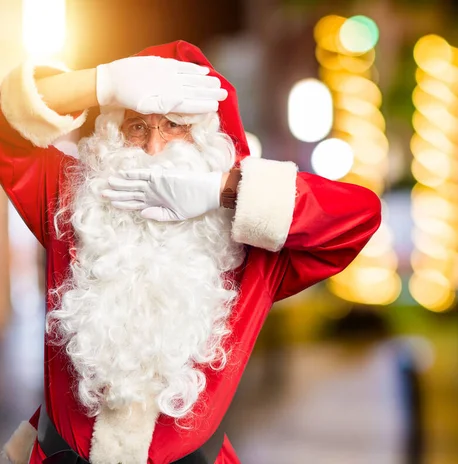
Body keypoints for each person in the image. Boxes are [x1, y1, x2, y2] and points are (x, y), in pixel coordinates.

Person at [0, 41, 381, 464]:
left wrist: (224, 189)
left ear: (207, 141)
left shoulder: (248, 248)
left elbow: (359, 217)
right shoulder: (74, 201)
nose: (153, 149)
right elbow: (6, 128)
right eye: (138, 126)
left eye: (175, 126)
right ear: (113, 135)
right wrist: (101, 83)